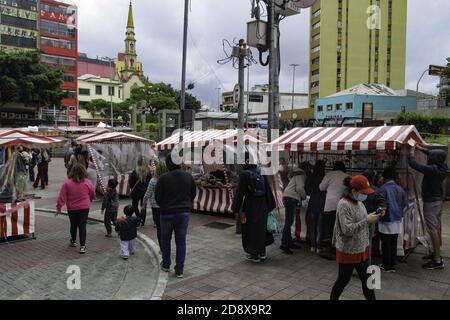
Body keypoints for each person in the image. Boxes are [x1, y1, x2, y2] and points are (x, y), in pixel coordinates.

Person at [330, 175, 380, 301]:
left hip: (362, 248)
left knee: (368, 281)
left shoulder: (359, 202)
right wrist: (367, 220)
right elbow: (347, 230)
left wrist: (373, 215)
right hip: (349, 250)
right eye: (363, 192)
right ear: (354, 191)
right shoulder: (343, 205)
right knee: (343, 281)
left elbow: (362, 219)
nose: (365, 195)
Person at [155, 154, 197, 278]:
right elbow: (193, 194)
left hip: (166, 213)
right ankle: (179, 269)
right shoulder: (188, 177)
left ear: (168, 164)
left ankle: (166, 264)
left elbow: (157, 197)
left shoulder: (163, 178)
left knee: (165, 240)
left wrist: (164, 206)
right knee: (181, 242)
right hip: (183, 213)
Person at [409, 145, 449, 270]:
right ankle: (435, 253)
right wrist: (421, 149)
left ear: (434, 159)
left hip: (431, 203)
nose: (429, 157)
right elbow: (431, 153)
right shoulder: (443, 166)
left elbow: (415, 165)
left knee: (432, 230)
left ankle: (437, 260)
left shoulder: (433, 170)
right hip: (437, 200)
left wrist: (411, 153)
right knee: (435, 228)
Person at [232, 153, 276, 263]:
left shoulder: (244, 174)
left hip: (250, 205)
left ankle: (254, 254)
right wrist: (270, 205)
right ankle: (262, 253)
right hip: (263, 205)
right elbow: (268, 190)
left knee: (250, 229)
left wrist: (236, 208)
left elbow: (240, 192)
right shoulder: (261, 171)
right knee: (261, 229)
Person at [56, 164, 96, 254]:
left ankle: (73, 240)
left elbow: (62, 197)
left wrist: (59, 207)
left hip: (72, 207)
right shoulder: (87, 182)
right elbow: (93, 193)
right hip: (84, 207)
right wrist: (90, 199)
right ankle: (82, 246)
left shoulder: (67, 183)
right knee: (82, 225)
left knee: (73, 224)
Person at [319, 161, 349, 260]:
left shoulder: (330, 174)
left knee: (328, 227)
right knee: (339, 228)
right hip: (342, 205)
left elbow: (321, 187)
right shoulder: (347, 176)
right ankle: (338, 250)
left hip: (329, 205)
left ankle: (328, 250)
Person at [378, 167, 407, 273]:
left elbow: (381, 205)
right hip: (398, 219)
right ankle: (392, 264)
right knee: (393, 242)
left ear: (384, 177)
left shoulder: (383, 189)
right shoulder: (400, 189)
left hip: (386, 219)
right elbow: (404, 204)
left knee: (386, 243)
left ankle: (386, 265)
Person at [362, 169, 387, 263]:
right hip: (370, 219)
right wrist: (380, 211)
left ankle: (359, 264)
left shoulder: (357, 188)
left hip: (358, 219)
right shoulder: (377, 190)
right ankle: (366, 264)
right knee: (368, 243)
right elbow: (382, 204)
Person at [280, 167, 306, 254]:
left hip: (288, 197)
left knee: (289, 221)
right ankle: (284, 244)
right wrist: (304, 196)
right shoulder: (300, 176)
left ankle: (289, 241)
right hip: (291, 198)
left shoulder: (295, 176)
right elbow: (299, 188)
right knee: (289, 222)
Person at [143, 161, 168, 246]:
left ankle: (162, 247)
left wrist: (144, 203)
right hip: (167, 206)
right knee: (166, 227)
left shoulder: (153, 180)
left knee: (159, 228)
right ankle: (166, 245)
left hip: (156, 207)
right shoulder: (168, 179)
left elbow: (147, 194)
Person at [305, 160, 326, 253]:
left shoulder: (310, 177)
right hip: (322, 203)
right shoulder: (324, 178)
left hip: (312, 203)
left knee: (313, 225)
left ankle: (312, 245)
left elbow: (307, 191)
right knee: (320, 226)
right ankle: (319, 246)